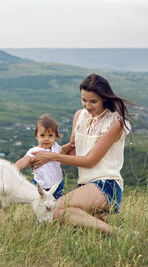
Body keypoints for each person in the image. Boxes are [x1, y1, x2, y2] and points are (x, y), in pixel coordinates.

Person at [29, 73, 133, 234]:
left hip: (107, 184)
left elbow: (90, 161)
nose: (87, 106)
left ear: (104, 99)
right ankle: (101, 221)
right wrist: (41, 157)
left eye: (93, 101)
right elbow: (73, 151)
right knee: (56, 219)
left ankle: (122, 234)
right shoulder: (79, 116)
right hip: (85, 185)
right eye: (84, 100)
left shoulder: (115, 123)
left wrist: (51, 156)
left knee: (54, 210)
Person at [15, 114, 68, 199]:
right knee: (39, 204)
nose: (46, 139)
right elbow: (23, 162)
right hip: (40, 186)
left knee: (57, 203)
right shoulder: (34, 151)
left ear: (56, 137)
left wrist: (72, 144)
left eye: (50, 135)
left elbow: (63, 154)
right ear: (36, 136)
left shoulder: (56, 147)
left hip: (57, 184)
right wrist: (13, 169)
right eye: (42, 135)